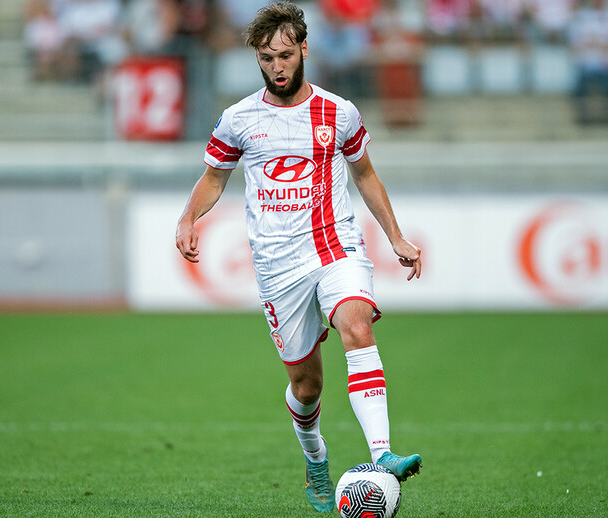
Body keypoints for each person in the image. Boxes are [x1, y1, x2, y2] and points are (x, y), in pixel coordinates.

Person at [174, 1, 423, 512]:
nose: (277, 66)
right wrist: (187, 219)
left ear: (305, 48)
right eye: (266, 58)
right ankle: (315, 457)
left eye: (285, 55)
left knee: (357, 322)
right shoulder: (239, 119)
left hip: (335, 245)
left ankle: (383, 455)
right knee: (306, 387)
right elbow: (215, 176)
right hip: (276, 266)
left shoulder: (340, 112)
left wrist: (395, 235)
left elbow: (365, 174)